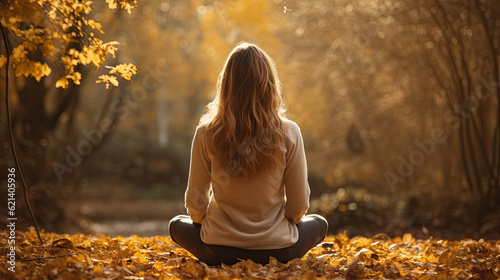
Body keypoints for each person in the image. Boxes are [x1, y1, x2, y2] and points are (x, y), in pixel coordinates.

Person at [169, 42, 328, 266]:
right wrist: (276, 229)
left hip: (218, 250)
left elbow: (195, 205)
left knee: (177, 224)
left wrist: (214, 226)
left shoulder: (206, 133)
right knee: (319, 223)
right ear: (269, 84)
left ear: (226, 85)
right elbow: (299, 205)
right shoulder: (289, 131)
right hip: (279, 251)